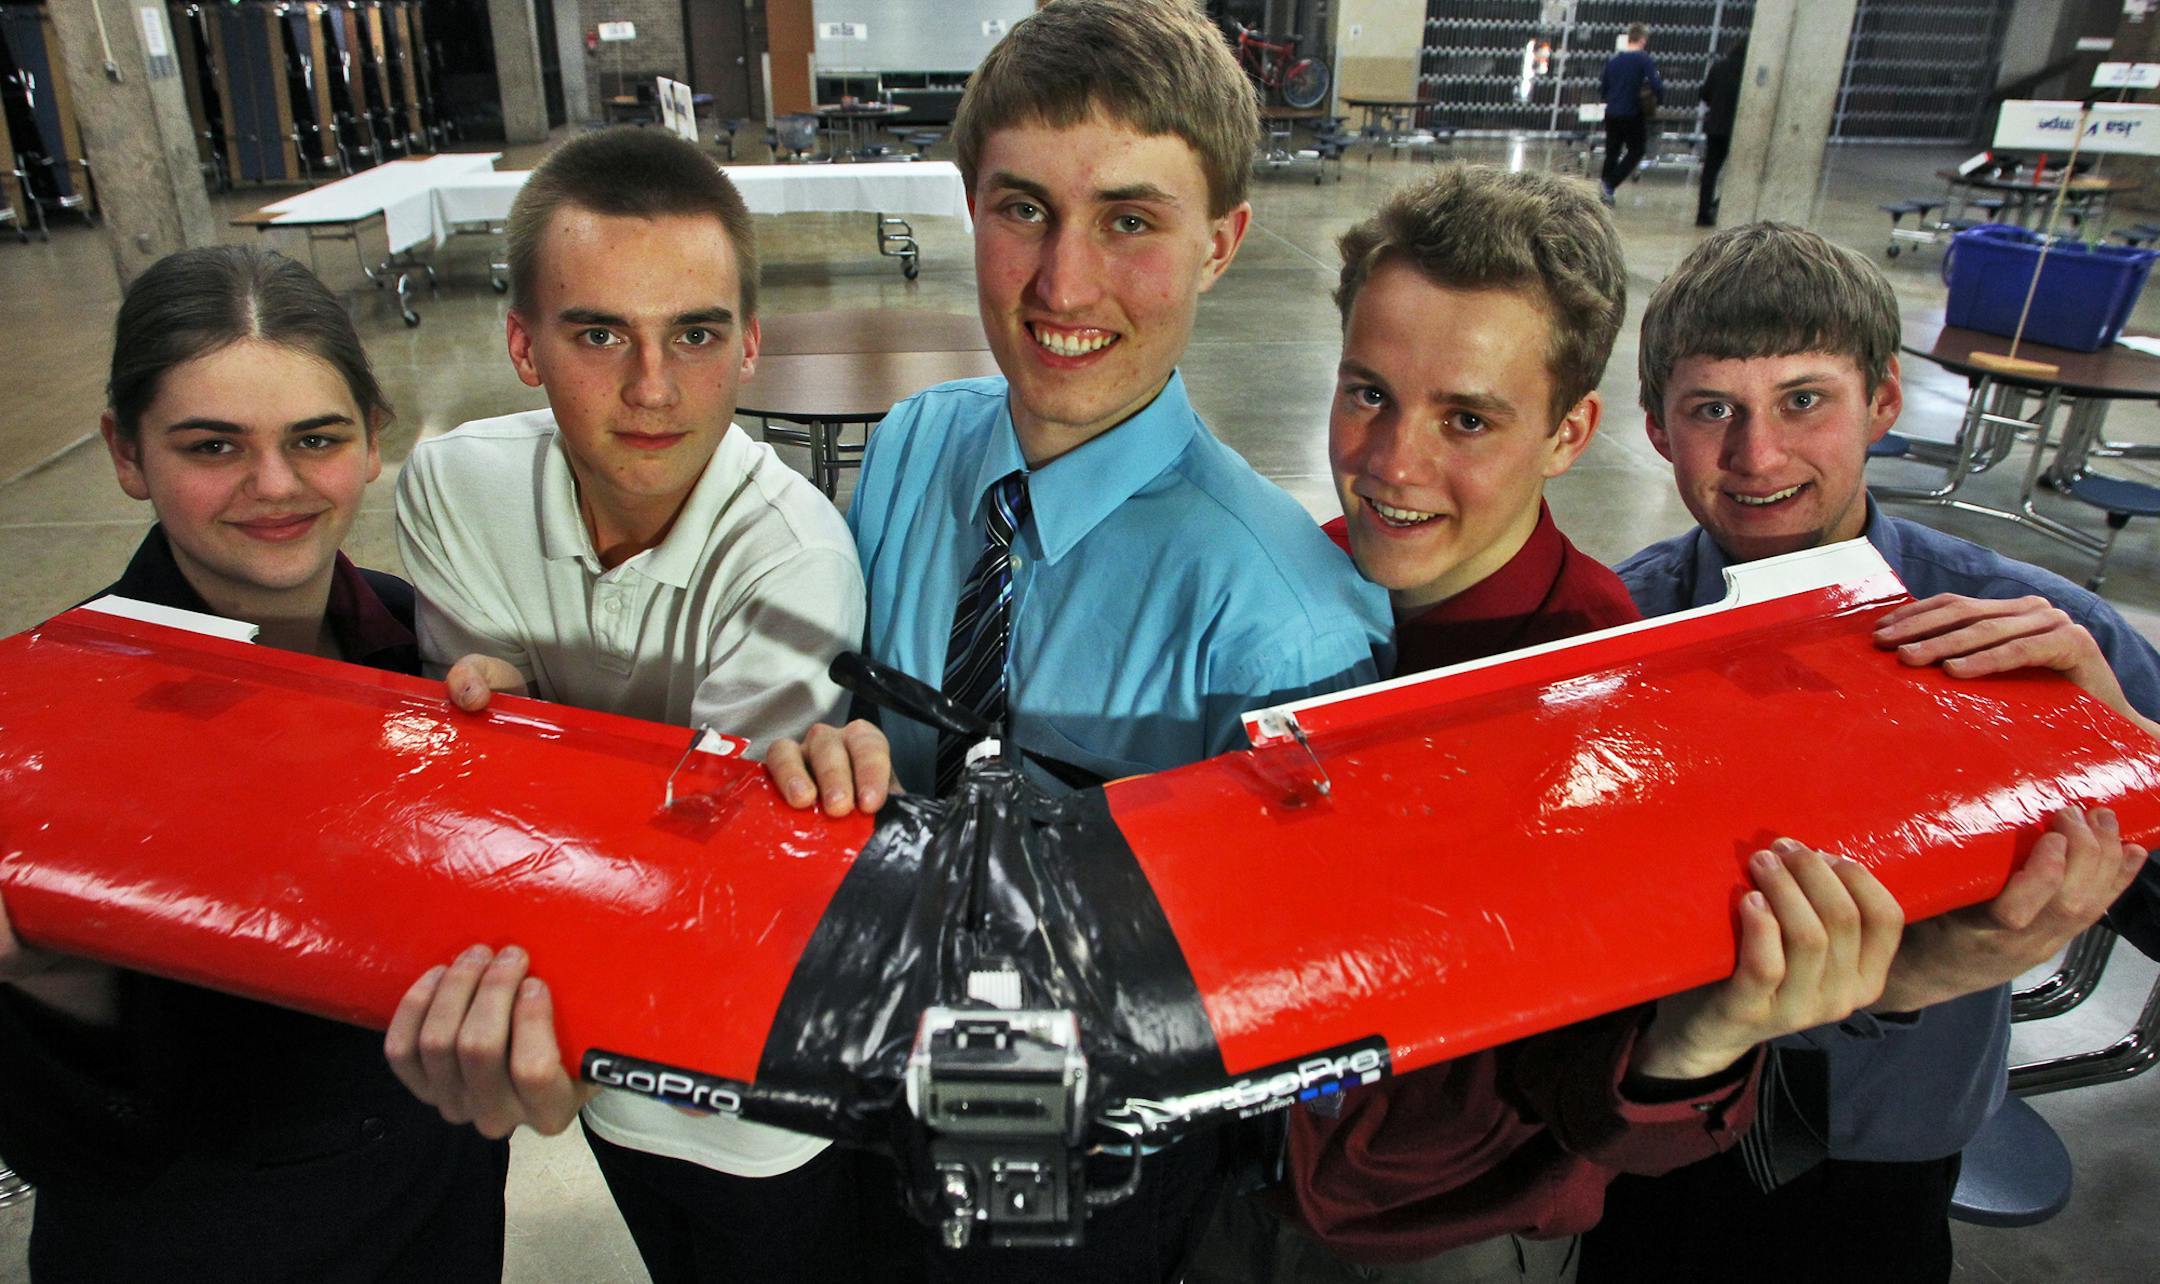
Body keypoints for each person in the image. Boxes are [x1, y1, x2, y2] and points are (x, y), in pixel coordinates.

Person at [1183, 164, 1912, 1284]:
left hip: (1436, 1232)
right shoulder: (1286, 588)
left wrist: (1709, 1036)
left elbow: (1617, 1091)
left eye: (1468, 418)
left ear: (1570, 434)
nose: (1391, 464)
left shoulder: (1607, 698)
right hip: (1235, 1178)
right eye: (1369, 393)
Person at [767, 1, 1390, 1277]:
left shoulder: (1285, 623)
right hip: (859, 1067)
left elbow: (1276, 994)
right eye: (1023, 209)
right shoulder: (914, 446)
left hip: (1090, 1148)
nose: (1062, 285)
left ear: (1221, 243)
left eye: (1130, 220)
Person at [1583, 222, 2159, 1283]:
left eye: (1805, 400)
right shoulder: (1608, 644)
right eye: (1712, 410)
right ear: (1658, 430)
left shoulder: (2039, 638)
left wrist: (2128, 747)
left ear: (1884, 400)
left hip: (1893, 1144)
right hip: (1661, 1133)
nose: (1758, 456)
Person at [383, 127, 869, 1283]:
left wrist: (535, 741)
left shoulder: (796, 558)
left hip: (758, 1101)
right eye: (599, 333)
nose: (653, 389)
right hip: (598, 1077)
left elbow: (711, 883)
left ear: (749, 344)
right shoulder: (452, 486)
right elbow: (490, 786)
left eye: (695, 334)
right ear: (522, 343)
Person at [0, 244, 510, 1280]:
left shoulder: (432, 652)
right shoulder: (44, 724)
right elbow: (70, 1148)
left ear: (373, 439)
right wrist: (56, 985)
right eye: (213, 446)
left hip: (435, 1222)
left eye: (315, 438)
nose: (275, 485)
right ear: (127, 453)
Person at [1597, 22, 1662, 206]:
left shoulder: (1614, 61)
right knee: (1637, 150)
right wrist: (1658, 100)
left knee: (1612, 152)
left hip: (1612, 112)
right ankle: (1610, 184)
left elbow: (1603, 88)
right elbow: (1656, 84)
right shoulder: (1643, 59)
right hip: (1632, 112)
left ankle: (1603, 193)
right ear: (1642, 40)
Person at [1696, 38, 1746, 228]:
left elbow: (1705, 93)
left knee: (1710, 170)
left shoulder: (1719, 67)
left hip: (1716, 126)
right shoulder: (1746, 70)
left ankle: (1703, 212)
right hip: (1738, 128)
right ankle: (1721, 207)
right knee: (1738, 171)